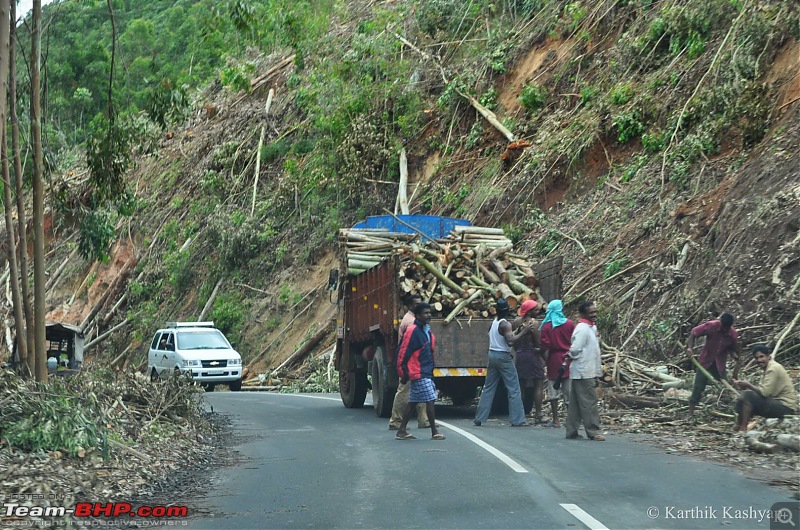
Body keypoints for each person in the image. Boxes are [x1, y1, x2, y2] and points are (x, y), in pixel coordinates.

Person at [473, 298, 530, 427]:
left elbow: (503, 336)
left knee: (488, 387)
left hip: (492, 354)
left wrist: (516, 332)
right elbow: (510, 341)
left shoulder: (494, 322)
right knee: (513, 388)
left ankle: (480, 418)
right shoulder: (505, 324)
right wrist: (524, 332)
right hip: (503, 356)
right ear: (507, 310)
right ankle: (517, 419)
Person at [395, 303, 444, 441]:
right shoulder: (412, 331)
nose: (428, 315)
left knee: (413, 402)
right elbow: (403, 352)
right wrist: (403, 373)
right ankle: (434, 431)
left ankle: (401, 431)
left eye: (429, 312)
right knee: (430, 399)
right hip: (418, 372)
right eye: (425, 313)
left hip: (426, 371)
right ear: (417, 316)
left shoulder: (426, 331)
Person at [389, 294, 430, 430]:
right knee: (404, 392)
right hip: (410, 363)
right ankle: (396, 421)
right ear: (409, 307)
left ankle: (424, 420)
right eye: (416, 304)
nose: (419, 305)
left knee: (422, 390)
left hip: (417, 363)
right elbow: (407, 348)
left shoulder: (417, 321)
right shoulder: (410, 322)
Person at [732, 345, 797, 432]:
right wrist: (742, 386)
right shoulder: (767, 368)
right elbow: (761, 392)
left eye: (761, 357)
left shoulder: (773, 368)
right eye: (756, 358)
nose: (759, 360)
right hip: (777, 403)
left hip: (786, 407)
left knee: (748, 395)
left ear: (768, 356)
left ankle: (743, 429)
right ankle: (738, 425)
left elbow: (765, 393)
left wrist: (748, 385)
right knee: (742, 398)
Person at [686, 313, 740, 416]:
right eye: (723, 327)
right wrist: (690, 348)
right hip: (705, 362)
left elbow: (732, 348)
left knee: (725, 388)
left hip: (719, 365)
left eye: (727, 328)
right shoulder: (712, 326)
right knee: (698, 387)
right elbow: (694, 332)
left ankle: (729, 411)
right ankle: (690, 413)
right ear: (721, 322)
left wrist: (734, 355)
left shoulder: (732, 334)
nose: (724, 330)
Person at [565, 301, 604, 441]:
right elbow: (575, 348)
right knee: (589, 401)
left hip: (585, 369)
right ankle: (593, 431)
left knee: (575, 403)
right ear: (583, 314)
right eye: (591, 313)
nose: (594, 315)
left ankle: (571, 430)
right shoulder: (582, 328)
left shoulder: (591, 328)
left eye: (595, 312)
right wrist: (571, 355)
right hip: (583, 370)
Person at [540, 299, 575, 428]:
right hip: (568, 358)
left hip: (553, 359)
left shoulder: (546, 326)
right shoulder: (570, 324)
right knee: (568, 391)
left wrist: (544, 358)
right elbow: (574, 340)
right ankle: (570, 419)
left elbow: (544, 346)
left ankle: (555, 420)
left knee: (553, 390)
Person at [512, 300, 545, 422]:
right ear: (530, 311)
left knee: (521, 386)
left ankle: (519, 414)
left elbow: (513, 341)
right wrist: (540, 351)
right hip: (532, 354)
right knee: (538, 383)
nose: (538, 312)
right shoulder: (534, 323)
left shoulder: (515, 322)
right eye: (536, 310)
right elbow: (538, 343)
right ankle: (539, 414)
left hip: (520, 355)